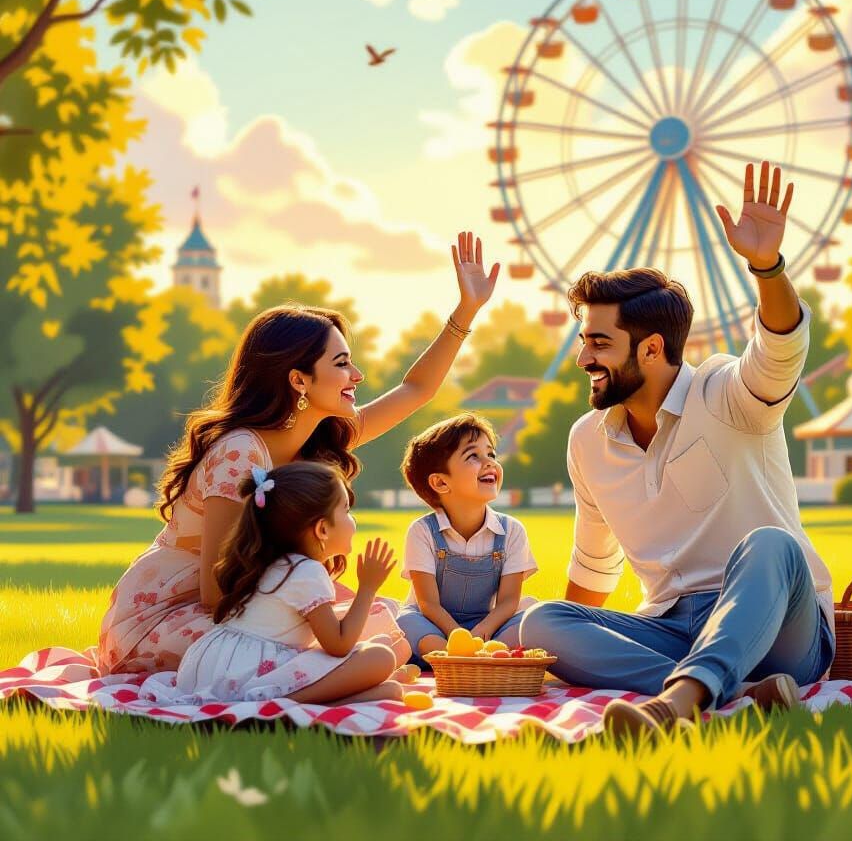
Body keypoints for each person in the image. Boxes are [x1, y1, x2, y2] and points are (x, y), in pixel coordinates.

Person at [519, 162, 835, 740]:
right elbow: (593, 568)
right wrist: (558, 647)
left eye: (598, 342)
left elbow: (782, 349)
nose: (583, 358)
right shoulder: (587, 441)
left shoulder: (728, 395)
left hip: (781, 624)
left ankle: (675, 704)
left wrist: (766, 265)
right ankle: (731, 694)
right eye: (582, 340)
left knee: (771, 545)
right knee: (539, 622)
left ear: (652, 348)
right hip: (675, 628)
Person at [97, 231, 499, 674]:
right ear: (298, 380)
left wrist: (466, 312)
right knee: (351, 642)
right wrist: (305, 603)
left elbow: (416, 389)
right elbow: (216, 593)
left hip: (251, 608)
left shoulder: (319, 443)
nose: (358, 374)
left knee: (386, 625)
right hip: (170, 619)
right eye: (342, 363)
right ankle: (334, 677)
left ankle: (341, 673)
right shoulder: (239, 454)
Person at [141, 462, 404, 705]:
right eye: (346, 510)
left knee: (382, 644)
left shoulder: (269, 562)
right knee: (381, 657)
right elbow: (338, 644)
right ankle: (289, 703)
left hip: (212, 666)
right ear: (322, 529)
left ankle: (340, 697)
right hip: (248, 675)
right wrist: (368, 587)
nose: (352, 519)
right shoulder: (306, 571)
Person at [396, 414, 537, 667]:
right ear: (440, 482)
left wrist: (482, 631)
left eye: (491, 454)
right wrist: (457, 636)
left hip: (487, 624)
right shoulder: (422, 531)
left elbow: (508, 601)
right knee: (405, 622)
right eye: (474, 456)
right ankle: (469, 657)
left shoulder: (512, 530)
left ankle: (457, 658)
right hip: (435, 624)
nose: (489, 463)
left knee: (534, 616)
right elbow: (427, 603)